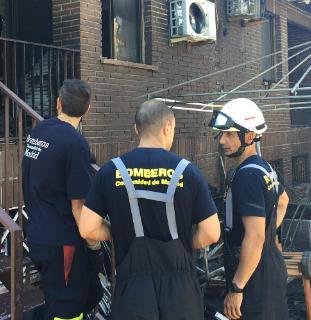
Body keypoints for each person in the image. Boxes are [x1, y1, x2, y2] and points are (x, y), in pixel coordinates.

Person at [78, 100, 221, 320]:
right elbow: (211, 232)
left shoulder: (111, 172)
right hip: (181, 295)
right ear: (168, 128)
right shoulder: (188, 172)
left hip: (133, 295)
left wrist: (119, 232)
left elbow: (87, 228)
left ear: (137, 129)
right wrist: (184, 239)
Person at [21, 79, 102, 320]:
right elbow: (79, 207)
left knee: (82, 295)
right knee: (68, 311)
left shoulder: (39, 130)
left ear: (58, 103)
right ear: (87, 110)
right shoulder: (76, 145)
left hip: (37, 234)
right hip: (63, 244)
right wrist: (94, 243)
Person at [209, 98, 290, 320]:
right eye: (221, 134)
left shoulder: (247, 176)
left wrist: (237, 287)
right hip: (269, 265)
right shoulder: (264, 167)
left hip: (254, 278)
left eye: (230, 134)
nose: (222, 141)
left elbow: (254, 238)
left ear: (250, 136)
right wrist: (269, 233)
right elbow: (283, 200)